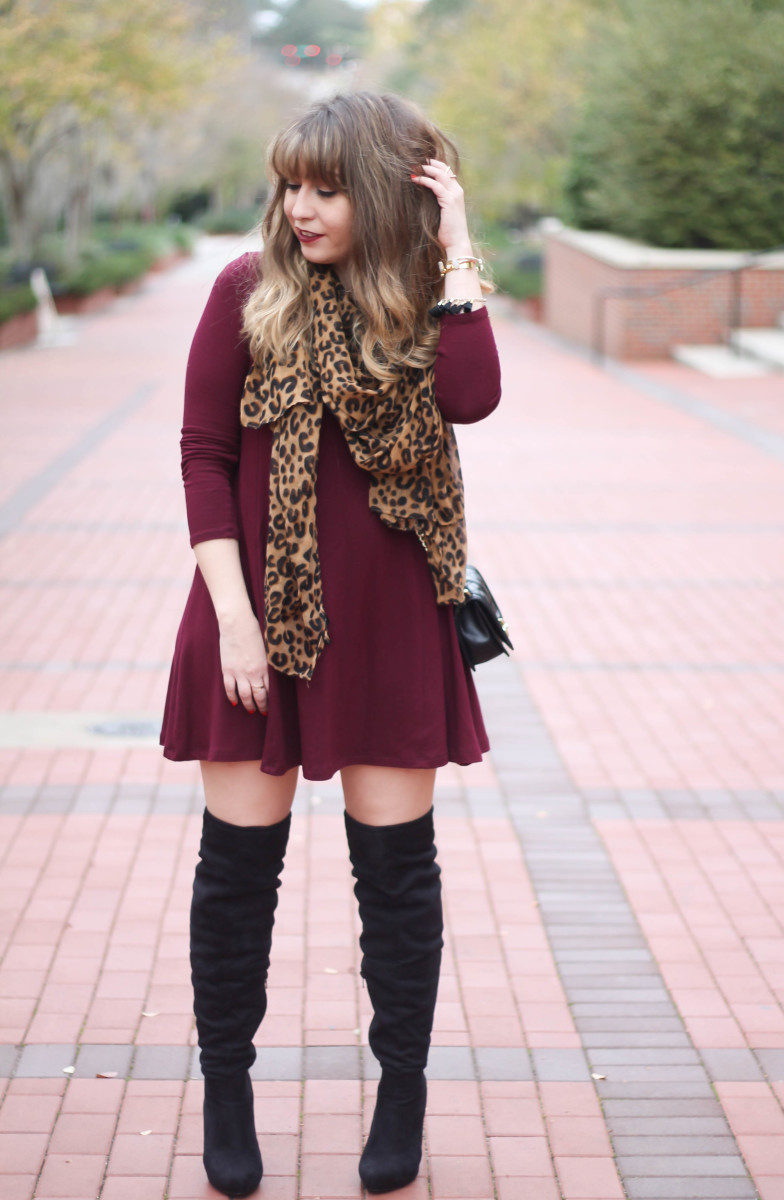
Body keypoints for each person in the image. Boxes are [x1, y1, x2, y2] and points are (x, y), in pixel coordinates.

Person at [159, 90, 501, 1198]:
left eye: (325, 187)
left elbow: (474, 398)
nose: (299, 207)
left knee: (396, 884)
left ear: (384, 192)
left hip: (392, 617)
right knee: (234, 882)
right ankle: (226, 1090)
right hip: (252, 616)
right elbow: (203, 454)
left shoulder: (425, 301)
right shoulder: (242, 292)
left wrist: (456, 253)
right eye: (289, 186)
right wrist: (235, 619)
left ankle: (398, 1094)